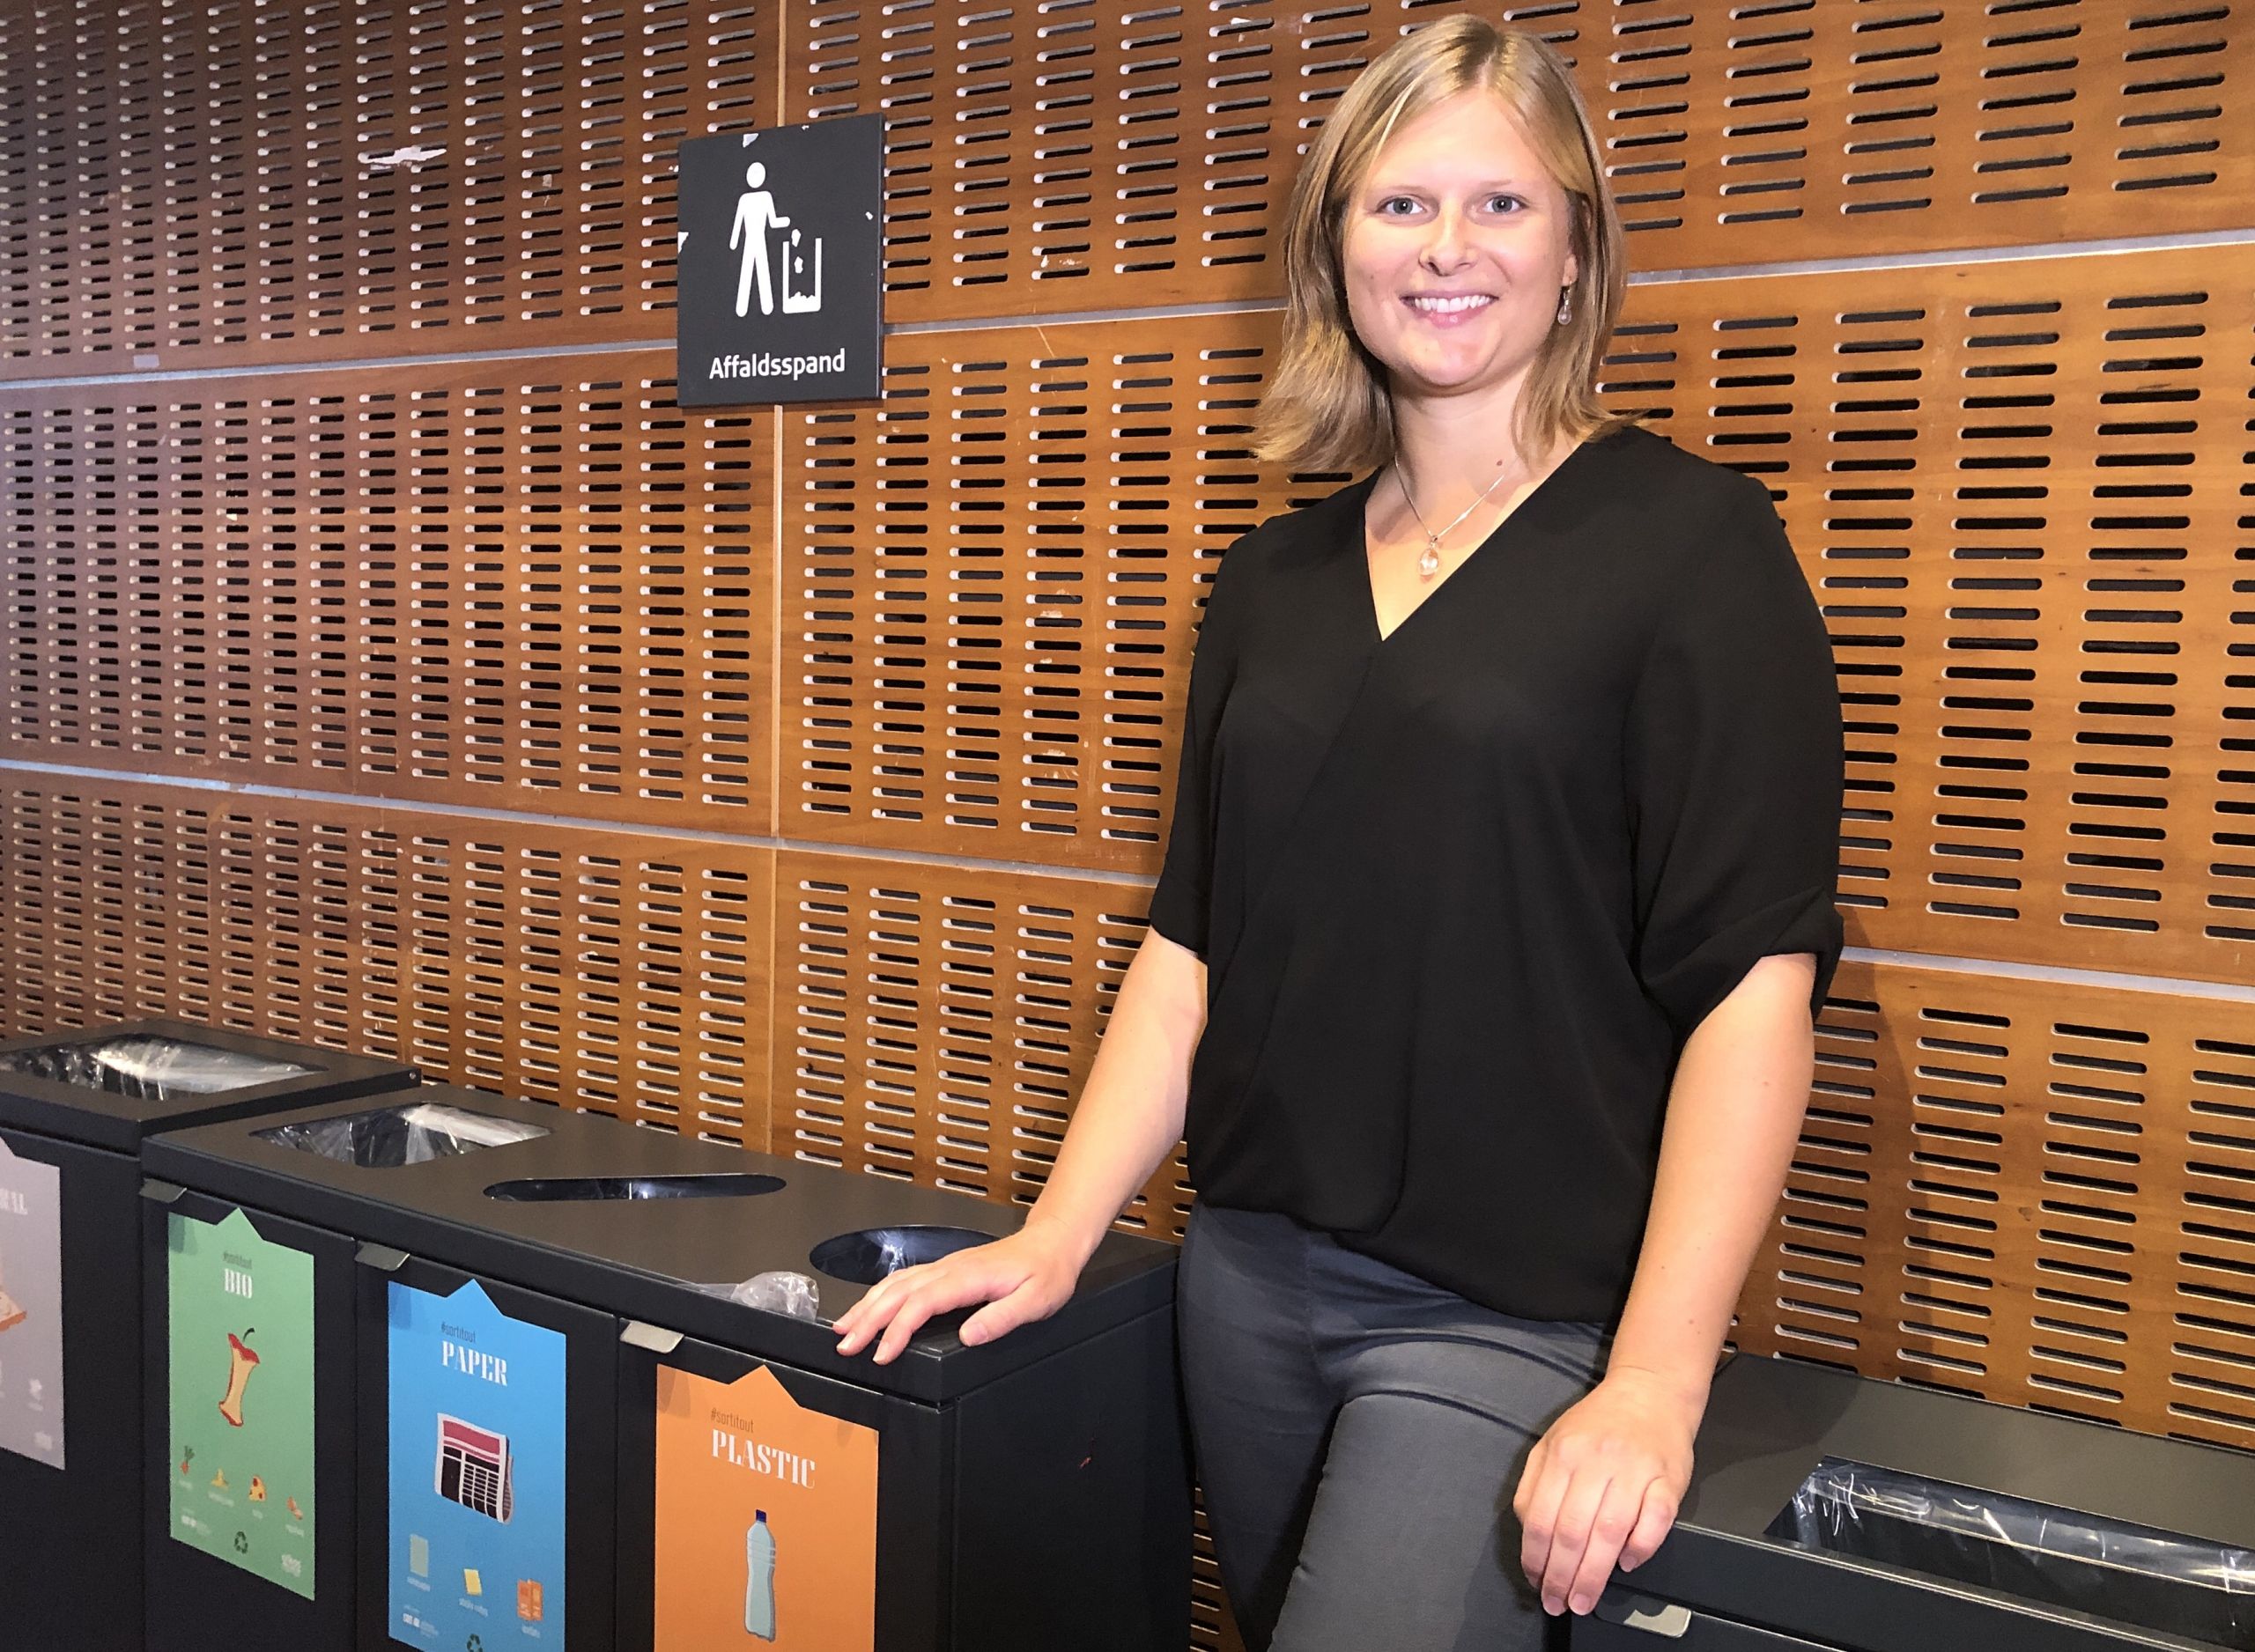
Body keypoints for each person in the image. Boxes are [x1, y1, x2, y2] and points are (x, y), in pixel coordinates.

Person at [832, 18, 1844, 1650]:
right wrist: (1056, 1234)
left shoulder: (1693, 548)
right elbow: (1194, 947)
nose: (1449, 250)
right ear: (1338, 248)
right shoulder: (1271, 584)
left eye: (1502, 207)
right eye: (1401, 206)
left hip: (1512, 1316)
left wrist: (1657, 1379)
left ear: (1579, 249)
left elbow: (1755, 990)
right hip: (1248, 1288)